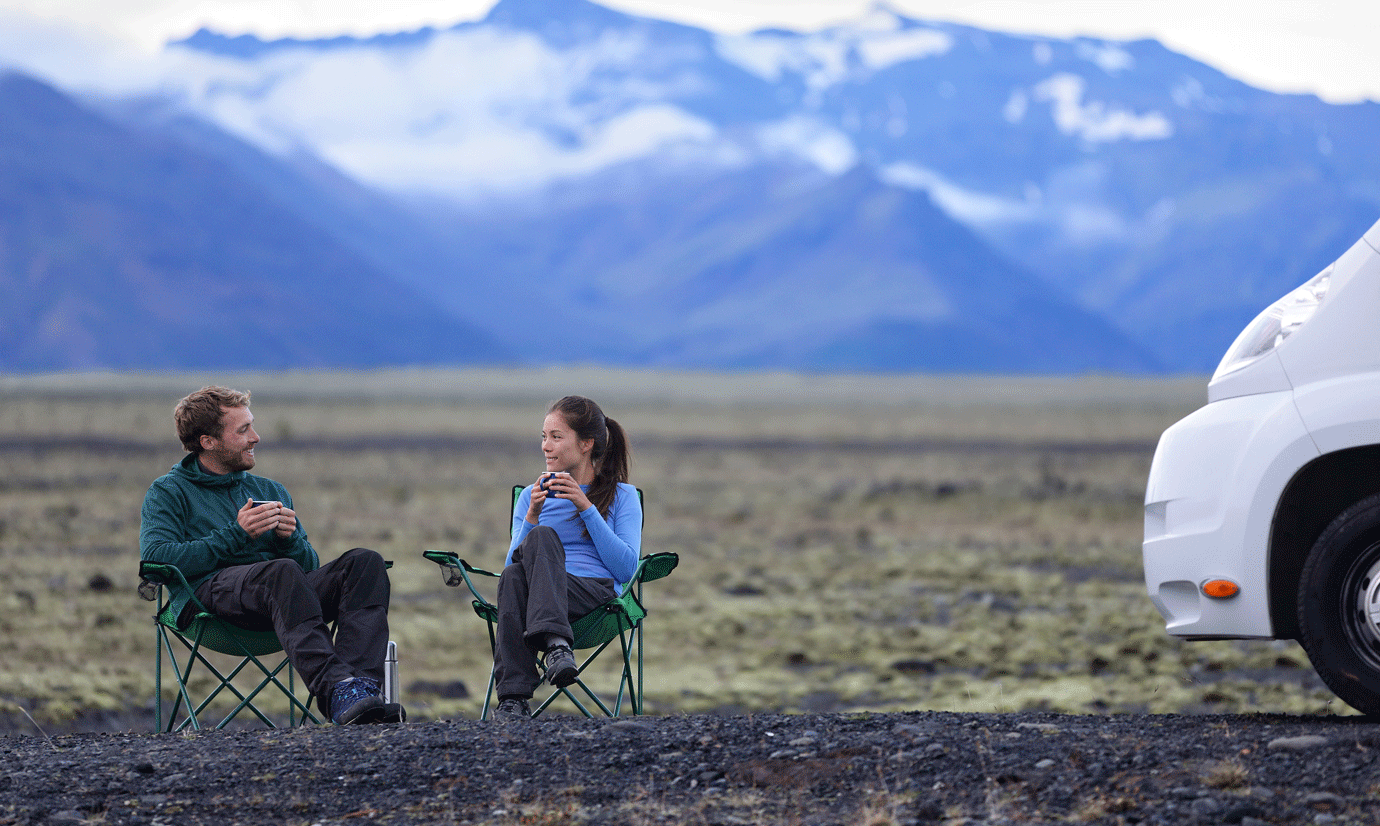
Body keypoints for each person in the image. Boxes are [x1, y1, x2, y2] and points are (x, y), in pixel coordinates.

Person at [139, 385, 404, 726]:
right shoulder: (169, 491)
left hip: (284, 600)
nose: (256, 437)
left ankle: (361, 692)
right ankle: (337, 689)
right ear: (208, 442)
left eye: (252, 426)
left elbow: (307, 567)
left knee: (364, 563)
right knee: (280, 572)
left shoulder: (269, 491)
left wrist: (289, 539)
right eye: (243, 430)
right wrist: (236, 534)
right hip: (207, 599)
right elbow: (156, 560)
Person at [493, 395, 642, 722]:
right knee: (523, 565)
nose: (546, 446)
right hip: (538, 600)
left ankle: (542, 663)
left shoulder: (622, 496)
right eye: (544, 437)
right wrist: (532, 515)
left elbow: (628, 569)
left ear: (586, 443)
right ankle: (523, 689)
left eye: (557, 437)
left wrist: (586, 507)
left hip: (596, 598)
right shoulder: (532, 497)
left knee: (541, 541)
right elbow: (510, 572)